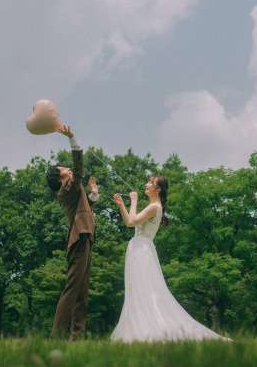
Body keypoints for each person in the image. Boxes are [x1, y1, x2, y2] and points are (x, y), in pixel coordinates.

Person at [110, 175, 228, 342]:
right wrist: (123, 205)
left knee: (144, 290)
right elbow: (132, 222)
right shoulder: (154, 207)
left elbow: (131, 222)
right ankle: (140, 325)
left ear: (158, 189)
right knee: (138, 289)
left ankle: (147, 327)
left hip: (141, 250)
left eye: (151, 183)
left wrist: (132, 201)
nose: (147, 184)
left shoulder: (153, 207)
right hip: (140, 249)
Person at [45, 125, 99, 339]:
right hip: (79, 239)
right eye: (64, 169)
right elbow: (78, 169)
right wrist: (72, 139)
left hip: (85, 235)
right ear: (60, 178)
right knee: (72, 290)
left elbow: (84, 209)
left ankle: (77, 338)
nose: (68, 169)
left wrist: (93, 196)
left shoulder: (72, 189)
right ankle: (56, 336)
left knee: (82, 293)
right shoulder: (66, 188)